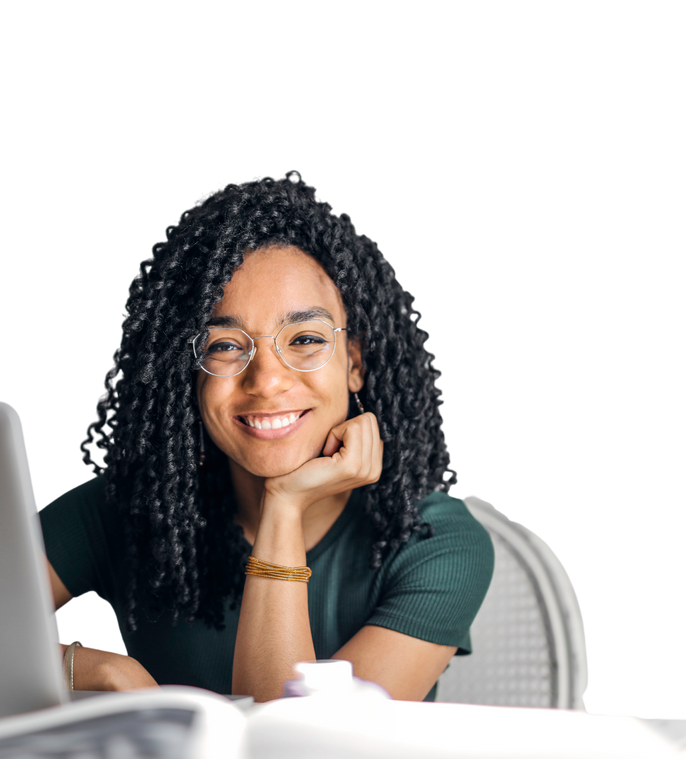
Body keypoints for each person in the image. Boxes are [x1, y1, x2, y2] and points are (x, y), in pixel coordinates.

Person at [41, 172, 494, 704]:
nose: (268, 380)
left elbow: (300, 751)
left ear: (355, 363)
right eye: (226, 346)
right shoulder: (124, 507)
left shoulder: (434, 541)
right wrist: (87, 665)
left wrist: (284, 505)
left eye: (305, 339)